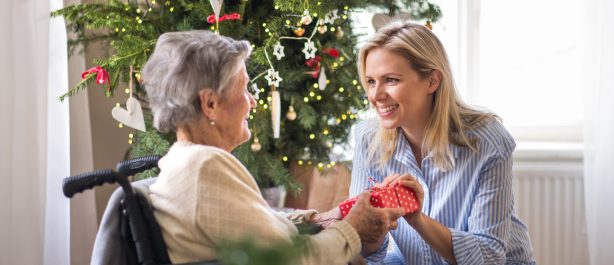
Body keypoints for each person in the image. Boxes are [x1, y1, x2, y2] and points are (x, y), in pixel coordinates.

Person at [141, 30, 404, 264]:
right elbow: (292, 259)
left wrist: (321, 219)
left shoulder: (182, 162)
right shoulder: (204, 167)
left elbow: (253, 226)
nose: (252, 102)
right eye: (244, 90)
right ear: (210, 104)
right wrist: (352, 229)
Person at [349, 21, 536, 264]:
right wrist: (369, 228)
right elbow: (367, 249)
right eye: (371, 81)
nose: (375, 95)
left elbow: (489, 256)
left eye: (391, 80)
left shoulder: (488, 141)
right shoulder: (368, 140)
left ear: (432, 81)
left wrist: (418, 219)